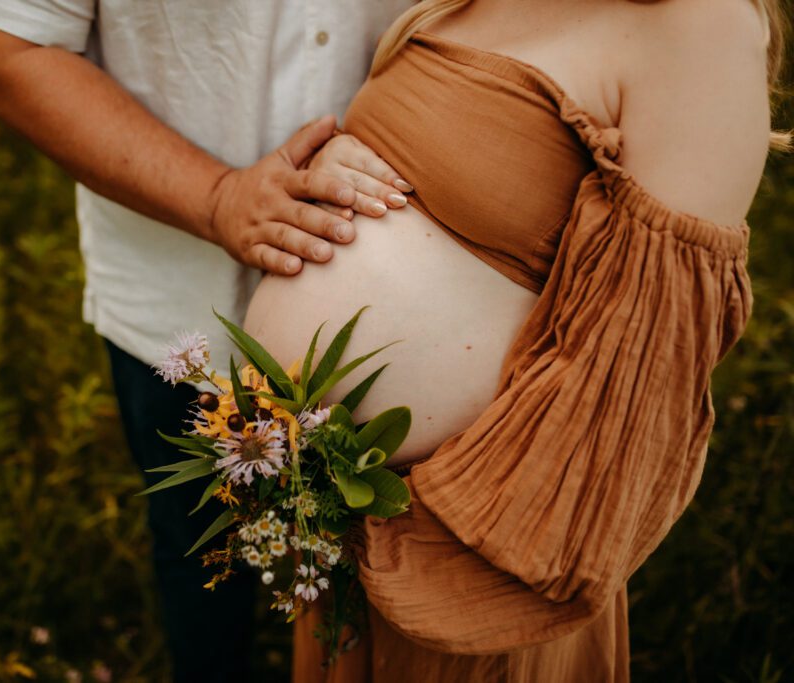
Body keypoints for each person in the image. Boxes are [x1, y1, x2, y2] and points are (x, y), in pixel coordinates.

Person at [240, 0, 787, 680]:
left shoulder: (701, 21)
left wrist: (436, 536)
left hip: (471, 546)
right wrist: (347, 159)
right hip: (344, 525)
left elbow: (642, 366)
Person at [0, 2, 416, 681]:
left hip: (427, 313)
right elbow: (5, 44)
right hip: (180, 294)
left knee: (406, 576)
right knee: (202, 559)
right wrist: (216, 197)